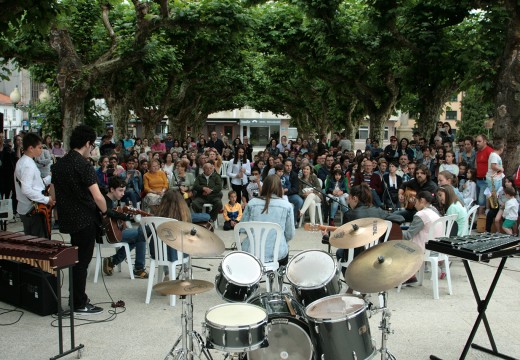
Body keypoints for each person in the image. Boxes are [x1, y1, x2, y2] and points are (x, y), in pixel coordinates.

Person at [52, 125, 107, 315]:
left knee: (76, 262)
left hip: (69, 219)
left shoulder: (60, 164)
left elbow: (53, 192)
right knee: (82, 263)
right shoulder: (84, 165)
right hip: (85, 220)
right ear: (87, 143)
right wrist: (106, 212)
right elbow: (98, 197)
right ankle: (79, 303)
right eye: (92, 145)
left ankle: (76, 298)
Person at [335, 183, 404, 276]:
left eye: (349, 198)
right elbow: (400, 219)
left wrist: (328, 237)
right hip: (376, 253)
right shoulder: (378, 211)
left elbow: (343, 240)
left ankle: (351, 282)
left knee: (339, 252)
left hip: (356, 256)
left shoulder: (349, 215)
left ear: (355, 198)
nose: (347, 200)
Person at [240, 175, 294, 265]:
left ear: (264, 186)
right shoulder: (287, 206)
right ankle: (278, 277)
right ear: (280, 187)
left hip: (251, 253)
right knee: (284, 248)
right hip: (277, 255)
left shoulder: (252, 203)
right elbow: (290, 234)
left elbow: (242, 229)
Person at [102, 177, 148, 278]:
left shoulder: (110, 201)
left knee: (135, 238)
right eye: (120, 190)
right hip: (105, 235)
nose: (123, 193)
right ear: (112, 189)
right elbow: (109, 213)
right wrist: (126, 216)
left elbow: (113, 218)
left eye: (124, 190)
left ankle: (112, 261)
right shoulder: (104, 201)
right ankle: (139, 269)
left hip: (108, 234)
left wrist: (123, 221)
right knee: (141, 233)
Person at [14, 133, 55, 238]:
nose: (41, 150)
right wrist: (46, 199)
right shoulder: (28, 165)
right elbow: (26, 189)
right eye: (39, 147)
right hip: (33, 210)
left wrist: (51, 176)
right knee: (38, 245)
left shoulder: (24, 161)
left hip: (29, 208)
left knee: (34, 243)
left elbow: (36, 184)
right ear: (31, 148)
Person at [402, 191, 443, 284]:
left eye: (415, 201)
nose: (414, 204)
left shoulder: (421, 215)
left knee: (398, 245)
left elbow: (408, 235)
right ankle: (411, 275)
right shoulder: (434, 212)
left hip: (426, 249)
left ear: (422, 201)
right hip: (437, 248)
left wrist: (394, 232)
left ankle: (407, 276)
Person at [474, 134, 494, 214]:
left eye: (479, 141)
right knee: (479, 202)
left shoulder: (489, 151)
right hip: (478, 179)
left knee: (481, 202)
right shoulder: (478, 152)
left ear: (485, 141)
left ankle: (480, 222)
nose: (477, 143)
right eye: (476, 141)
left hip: (485, 180)